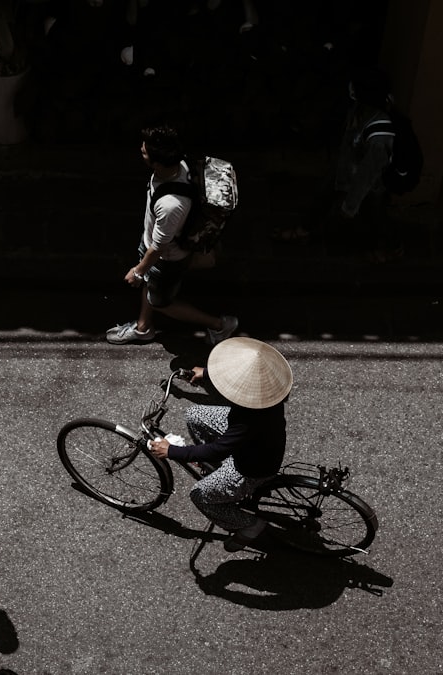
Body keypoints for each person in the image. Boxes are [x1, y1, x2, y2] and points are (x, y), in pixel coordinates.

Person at [148, 337, 292, 551]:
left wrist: (172, 451)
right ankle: (216, 472)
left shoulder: (248, 418)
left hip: (251, 467)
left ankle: (250, 526)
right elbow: (239, 375)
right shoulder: (271, 388)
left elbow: (218, 449)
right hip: (260, 441)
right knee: (195, 414)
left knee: (199, 496)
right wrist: (206, 373)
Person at [106, 125, 238, 345]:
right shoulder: (181, 164)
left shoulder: (171, 205)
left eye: (144, 151)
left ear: (156, 163)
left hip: (166, 258)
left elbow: (158, 248)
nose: (141, 149)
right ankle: (143, 328)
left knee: (161, 301)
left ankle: (220, 325)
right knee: (152, 281)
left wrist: (138, 272)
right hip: (154, 243)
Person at [272, 66, 400, 262]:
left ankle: (386, 249)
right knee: (323, 198)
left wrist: (350, 205)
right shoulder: (358, 112)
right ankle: (304, 230)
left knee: (374, 214)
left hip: (369, 184)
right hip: (346, 172)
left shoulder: (379, 132)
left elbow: (368, 173)